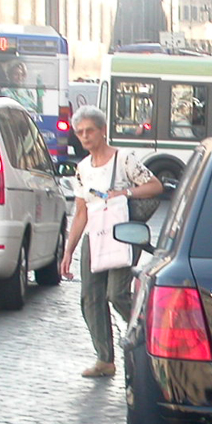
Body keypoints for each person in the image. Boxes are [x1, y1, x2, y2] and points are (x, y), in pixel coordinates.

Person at [59, 105, 163, 379]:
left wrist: (124, 192)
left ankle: (147, 338)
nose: (85, 137)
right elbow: (80, 212)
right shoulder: (82, 168)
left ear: (103, 131)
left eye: (89, 131)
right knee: (90, 297)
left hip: (122, 235)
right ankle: (105, 359)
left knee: (116, 294)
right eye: (79, 132)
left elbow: (155, 186)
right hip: (95, 235)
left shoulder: (124, 159)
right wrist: (68, 250)